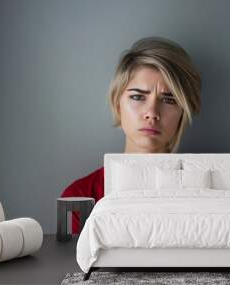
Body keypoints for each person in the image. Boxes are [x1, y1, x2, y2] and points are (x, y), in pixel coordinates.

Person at [60, 36, 202, 233]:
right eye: (137, 97)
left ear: (184, 112)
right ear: (118, 104)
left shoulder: (206, 195)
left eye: (169, 100)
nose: (152, 112)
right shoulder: (81, 196)